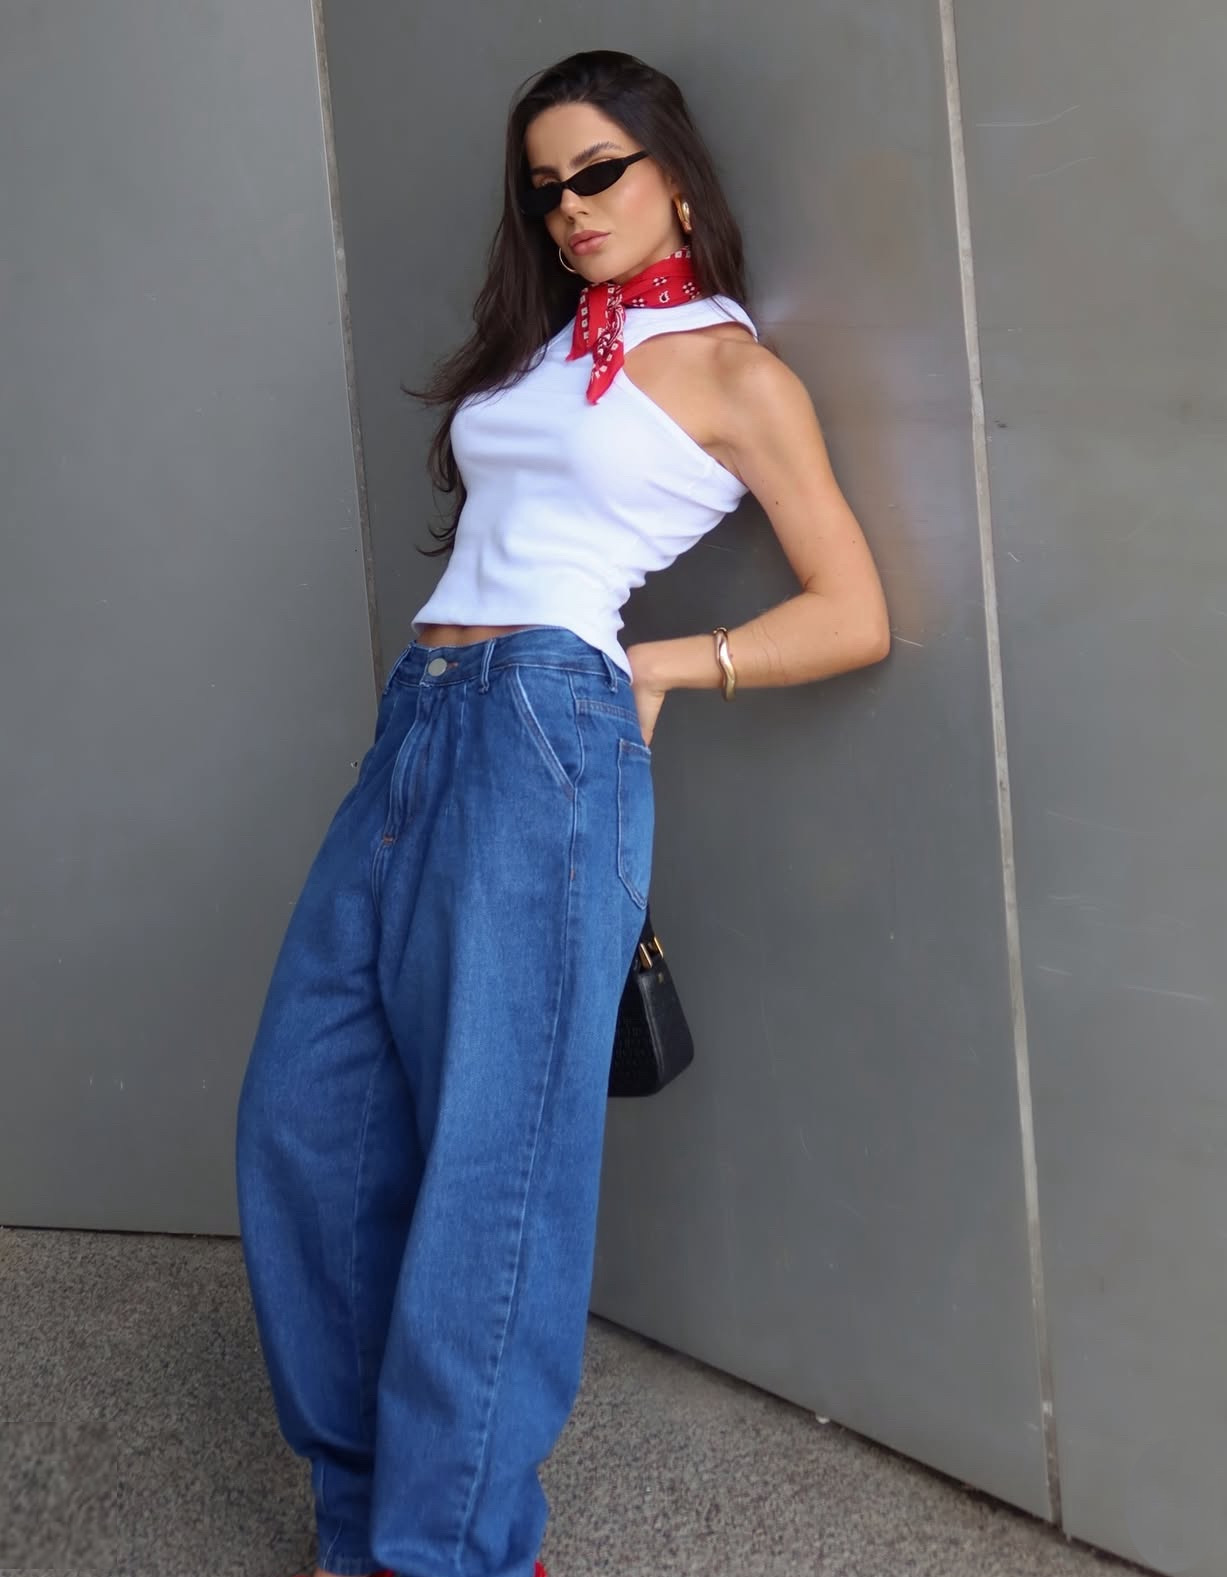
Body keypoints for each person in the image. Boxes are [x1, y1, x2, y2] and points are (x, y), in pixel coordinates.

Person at [235, 46, 889, 1577]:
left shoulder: (735, 371)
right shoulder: (549, 348)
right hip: (420, 720)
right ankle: (363, 1517)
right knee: (306, 1117)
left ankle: (452, 1550)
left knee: (494, 1157)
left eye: (600, 172)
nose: (572, 208)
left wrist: (666, 663)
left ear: (676, 178)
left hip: (545, 727)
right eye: (546, 189)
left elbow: (855, 608)